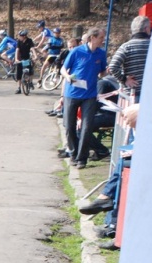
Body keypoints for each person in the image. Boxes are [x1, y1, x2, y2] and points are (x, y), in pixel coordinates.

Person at [61, 27, 107, 169]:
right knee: (69, 126)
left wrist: (105, 73)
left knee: (86, 128)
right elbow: (63, 69)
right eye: (101, 38)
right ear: (92, 38)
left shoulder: (101, 54)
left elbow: (102, 73)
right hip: (72, 93)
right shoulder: (76, 51)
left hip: (90, 95)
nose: (103, 40)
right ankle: (74, 154)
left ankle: (82, 158)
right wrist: (68, 77)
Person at [108, 16, 150, 101]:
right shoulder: (151, 46)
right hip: (149, 94)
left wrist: (124, 79)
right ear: (146, 29)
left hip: (131, 94)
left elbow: (112, 66)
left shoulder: (126, 47)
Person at [14, 29, 35, 94]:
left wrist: (35, 56)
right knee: (19, 73)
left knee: (30, 70)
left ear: (24, 36)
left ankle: (30, 82)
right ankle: (19, 88)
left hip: (27, 58)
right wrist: (16, 59)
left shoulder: (29, 41)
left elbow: (32, 49)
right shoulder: (19, 42)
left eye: (20, 36)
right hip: (21, 59)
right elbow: (17, 50)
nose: (19, 37)